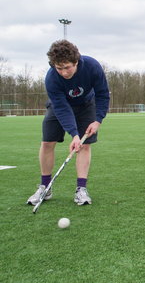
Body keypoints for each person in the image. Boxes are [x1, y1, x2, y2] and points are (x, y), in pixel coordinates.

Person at [27, 40, 110, 206]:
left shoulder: (92, 67)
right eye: (59, 68)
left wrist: (98, 120)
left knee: (85, 146)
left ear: (76, 61)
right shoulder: (52, 78)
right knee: (47, 142)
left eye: (67, 67)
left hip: (86, 105)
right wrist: (74, 134)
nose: (64, 73)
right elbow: (62, 108)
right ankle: (45, 187)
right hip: (59, 106)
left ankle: (81, 189)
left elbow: (102, 94)